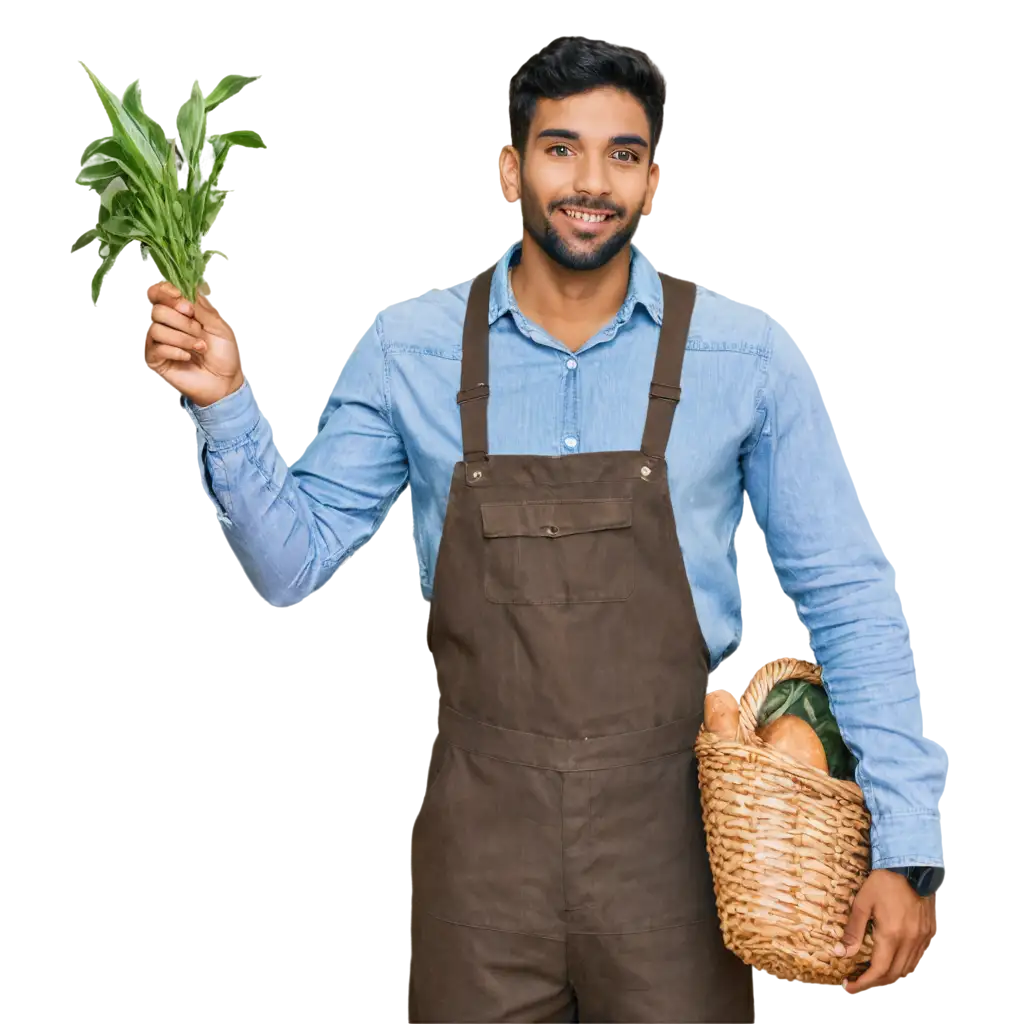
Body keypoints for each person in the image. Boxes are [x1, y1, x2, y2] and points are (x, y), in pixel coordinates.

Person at [142, 34, 946, 1023]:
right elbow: (288, 562)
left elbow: (846, 598)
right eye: (561, 148)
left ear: (653, 183)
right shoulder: (410, 347)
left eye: (623, 154)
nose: (591, 181)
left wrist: (904, 844)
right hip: (480, 870)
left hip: (678, 868)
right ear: (508, 169)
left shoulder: (745, 356)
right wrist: (224, 403)